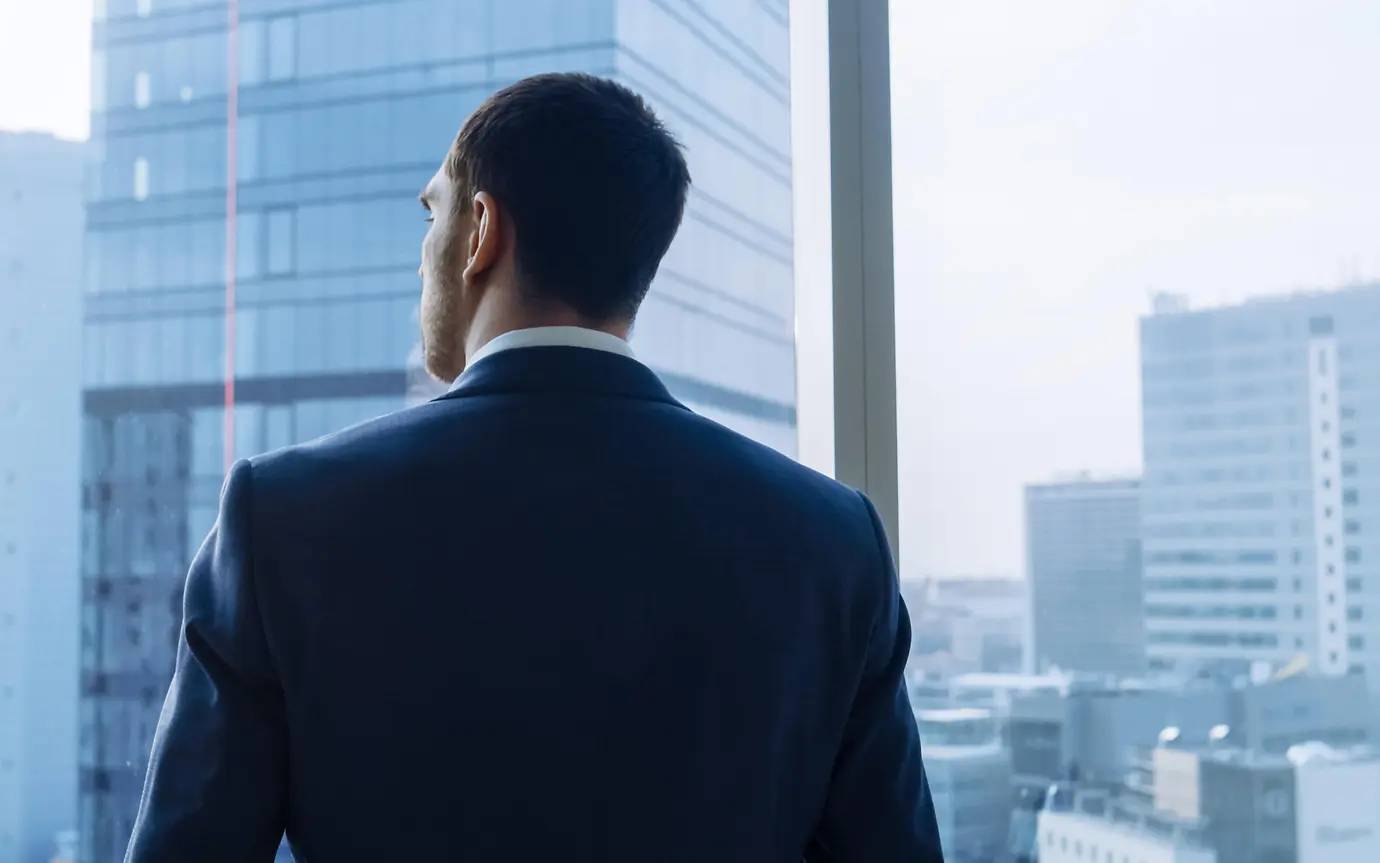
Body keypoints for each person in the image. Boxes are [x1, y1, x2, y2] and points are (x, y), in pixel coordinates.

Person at [125, 73, 944, 863]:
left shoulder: (283, 519)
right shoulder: (831, 542)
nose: (423, 258)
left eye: (433, 215)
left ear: (481, 231)